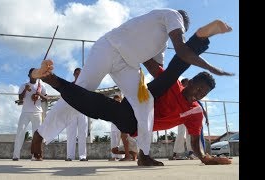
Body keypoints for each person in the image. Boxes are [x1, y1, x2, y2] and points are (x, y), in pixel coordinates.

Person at [30, 9, 233, 162]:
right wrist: (207, 63)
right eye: (180, 31)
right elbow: (180, 50)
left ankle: (144, 154)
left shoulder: (161, 44)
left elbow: (158, 69)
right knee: (82, 90)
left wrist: (146, 84)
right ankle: (42, 133)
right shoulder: (173, 15)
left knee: (145, 103)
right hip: (108, 48)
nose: (177, 34)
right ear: (181, 24)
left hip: (127, 65)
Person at [12, 68, 48, 161]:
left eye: (36, 73)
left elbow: (46, 99)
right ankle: (16, 155)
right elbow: (20, 98)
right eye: (32, 73)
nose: (34, 74)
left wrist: (39, 94)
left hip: (37, 112)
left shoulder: (41, 86)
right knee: (20, 132)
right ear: (29, 75)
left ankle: (35, 156)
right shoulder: (24, 85)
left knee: (37, 135)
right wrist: (25, 90)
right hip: (25, 112)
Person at [171, 78, 209, 160]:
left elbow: (200, 107)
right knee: (181, 133)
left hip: (189, 116)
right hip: (180, 116)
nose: (187, 86)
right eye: (186, 84)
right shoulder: (179, 91)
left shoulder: (192, 93)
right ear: (182, 84)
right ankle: (177, 152)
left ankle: (192, 152)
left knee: (190, 134)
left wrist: (206, 118)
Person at [65, 68, 88, 161]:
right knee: (71, 134)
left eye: (80, 74)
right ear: (74, 74)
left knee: (83, 134)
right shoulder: (70, 85)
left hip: (83, 111)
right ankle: (70, 156)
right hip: (71, 111)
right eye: (76, 74)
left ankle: (83, 156)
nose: (78, 75)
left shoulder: (86, 85)